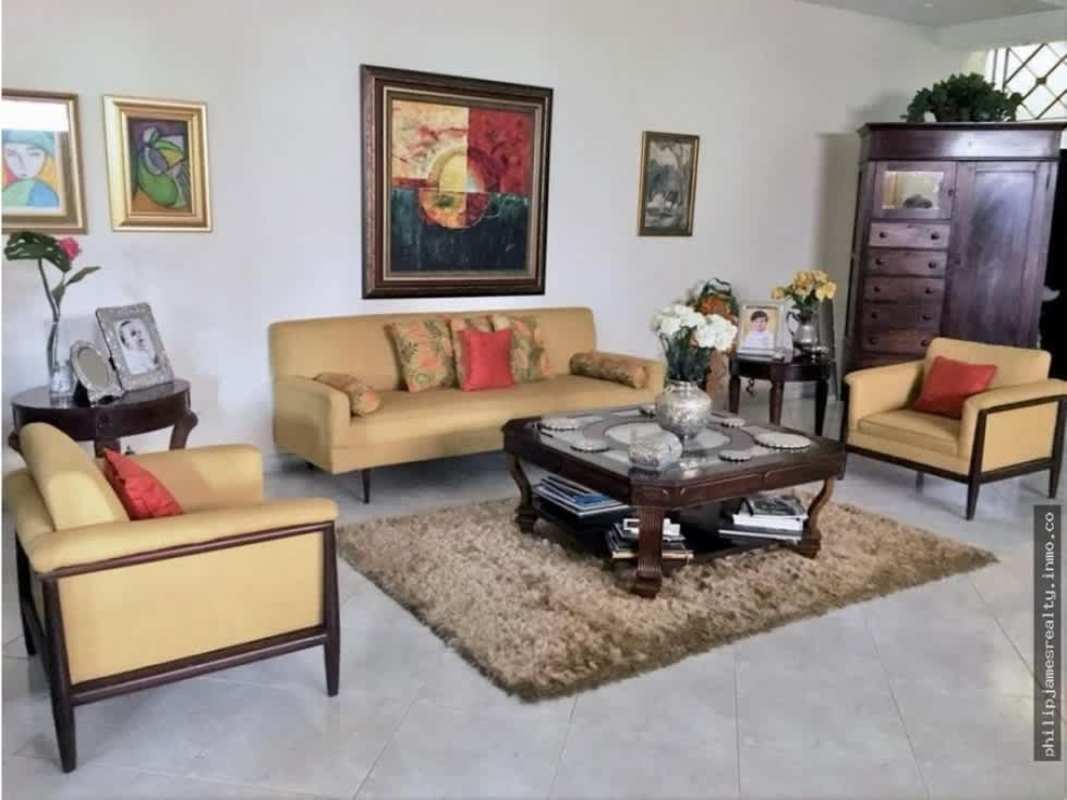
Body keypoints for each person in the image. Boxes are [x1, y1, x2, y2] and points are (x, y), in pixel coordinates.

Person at [2, 130, 60, 209]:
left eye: (34, 154)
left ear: (47, 157)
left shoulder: (42, 192)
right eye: (12, 154)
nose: (23, 164)